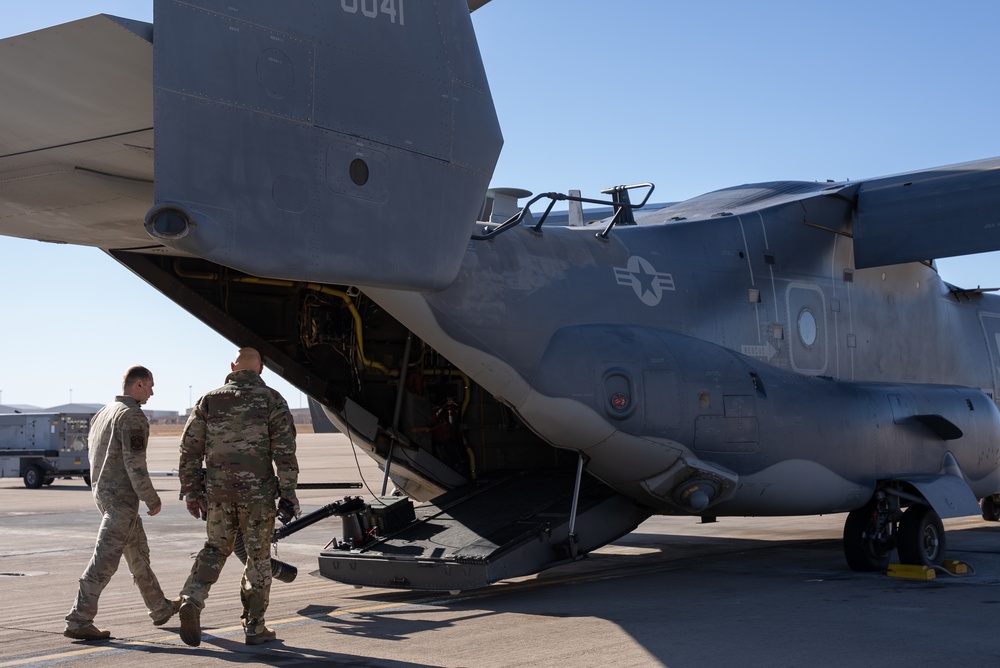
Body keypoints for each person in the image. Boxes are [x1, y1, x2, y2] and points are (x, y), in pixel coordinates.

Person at [176, 347, 299, 647]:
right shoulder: (272, 399)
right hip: (257, 497)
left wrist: (192, 492)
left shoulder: (209, 400)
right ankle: (255, 627)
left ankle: (191, 598)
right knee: (257, 558)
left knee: (215, 549)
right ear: (260, 370)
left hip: (218, 494)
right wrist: (288, 494)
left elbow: (189, 450)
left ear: (232, 366)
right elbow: (284, 452)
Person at [64, 366, 180, 641]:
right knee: (104, 559)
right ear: (138, 384)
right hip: (121, 500)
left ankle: (159, 607)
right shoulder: (131, 416)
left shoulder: (104, 412)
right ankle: (79, 619)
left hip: (104, 495)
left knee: (137, 553)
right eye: (150, 386)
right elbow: (134, 463)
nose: (152, 392)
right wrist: (151, 497)